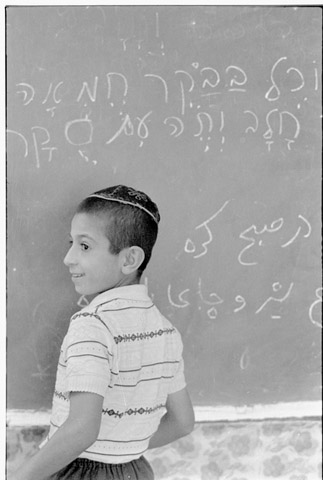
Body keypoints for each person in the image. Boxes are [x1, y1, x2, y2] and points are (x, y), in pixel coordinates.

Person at [12, 185, 195, 480]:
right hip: (136, 470)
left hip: (78, 471)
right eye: (70, 243)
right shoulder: (166, 331)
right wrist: (122, 447)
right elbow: (183, 422)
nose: (68, 257)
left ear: (129, 260)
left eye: (84, 246)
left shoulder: (93, 324)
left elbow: (82, 429)